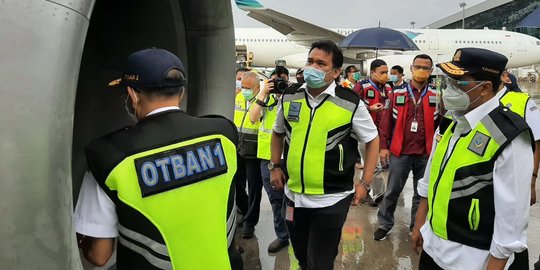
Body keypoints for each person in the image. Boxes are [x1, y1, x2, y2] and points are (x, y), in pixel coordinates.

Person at [74, 48, 242, 269]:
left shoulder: (108, 156)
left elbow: (99, 256)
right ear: (180, 92)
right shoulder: (223, 133)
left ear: (132, 95)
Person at [411, 48, 534, 270]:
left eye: (459, 82)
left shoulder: (508, 135)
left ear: (485, 88)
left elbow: (511, 223)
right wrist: (421, 224)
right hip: (433, 250)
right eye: (449, 81)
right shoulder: (453, 120)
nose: (449, 89)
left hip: (471, 260)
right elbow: (432, 177)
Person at [270, 40, 380, 269]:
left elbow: (372, 140)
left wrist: (365, 182)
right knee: (301, 256)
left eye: (321, 64)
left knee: (320, 261)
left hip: (331, 199)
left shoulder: (350, 102)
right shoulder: (290, 96)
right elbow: (277, 133)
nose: (313, 67)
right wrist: (275, 166)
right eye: (310, 61)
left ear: (336, 72)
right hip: (293, 197)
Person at [374, 54, 438, 241]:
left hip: (425, 153)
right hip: (400, 151)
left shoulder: (436, 94)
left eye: (426, 68)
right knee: (393, 189)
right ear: (411, 68)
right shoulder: (396, 93)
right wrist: (383, 146)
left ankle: (415, 226)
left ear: (431, 71)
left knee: (421, 192)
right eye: (418, 67)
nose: (421, 70)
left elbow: (441, 124)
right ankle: (384, 224)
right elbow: (385, 122)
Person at [496, 71, 540, 269]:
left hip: (516, 179)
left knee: (514, 231)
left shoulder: (522, 102)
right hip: (490, 181)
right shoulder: (474, 103)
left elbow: (537, 143)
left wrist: (531, 181)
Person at [250, 77, 290, 253]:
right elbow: (253, 117)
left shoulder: (293, 99)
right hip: (268, 158)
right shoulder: (265, 99)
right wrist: (263, 92)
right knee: (276, 200)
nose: (279, 86)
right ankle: (283, 236)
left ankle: (295, 233)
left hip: (290, 157)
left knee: (293, 201)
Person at [234, 71, 264, 238]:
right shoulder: (238, 98)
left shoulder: (262, 100)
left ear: (257, 88)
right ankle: (245, 212)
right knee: (237, 184)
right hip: (238, 147)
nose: (244, 90)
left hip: (254, 150)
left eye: (248, 88)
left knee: (254, 187)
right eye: (242, 86)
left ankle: (250, 222)